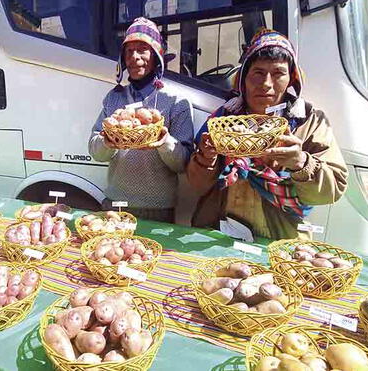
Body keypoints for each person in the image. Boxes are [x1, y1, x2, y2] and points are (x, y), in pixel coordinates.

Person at [187, 29, 348, 240]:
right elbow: (198, 186)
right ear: (243, 77)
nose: (266, 84)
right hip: (218, 234)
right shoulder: (222, 120)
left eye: (278, 73)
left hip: (281, 241)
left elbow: (331, 189)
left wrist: (300, 162)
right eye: (258, 73)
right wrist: (205, 159)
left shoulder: (309, 122)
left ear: (291, 78)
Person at [88, 17, 194, 223]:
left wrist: (163, 141)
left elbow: (183, 163)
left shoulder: (175, 101)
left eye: (142, 50)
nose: (134, 57)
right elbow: (95, 150)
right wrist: (107, 142)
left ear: (156, 56)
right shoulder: (114, 97)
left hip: (157, 210)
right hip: (115, 205)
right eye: (129, 51)